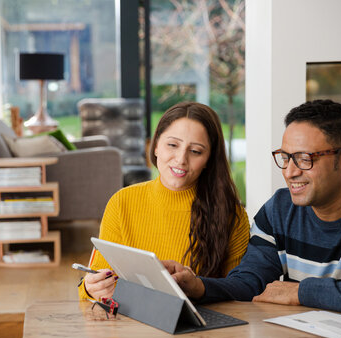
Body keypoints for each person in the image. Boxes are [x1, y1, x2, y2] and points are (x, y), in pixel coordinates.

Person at [163, 99, 341, 317]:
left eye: (305, 159)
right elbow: (250, 283)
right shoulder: (279, 210)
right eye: (285, 158)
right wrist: (198, 286)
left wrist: (302, 292)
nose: (289, 172)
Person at [79, 102, 250, 300]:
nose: (181, 159)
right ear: (155, 146)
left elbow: (239, 293)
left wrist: (199, 287)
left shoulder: (232, 215)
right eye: (172, 145)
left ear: (209, 160)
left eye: (195, 151)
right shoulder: (121, 203)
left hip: (202, 328)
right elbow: (95, 283)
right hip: (130, 323)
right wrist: (90, 289)